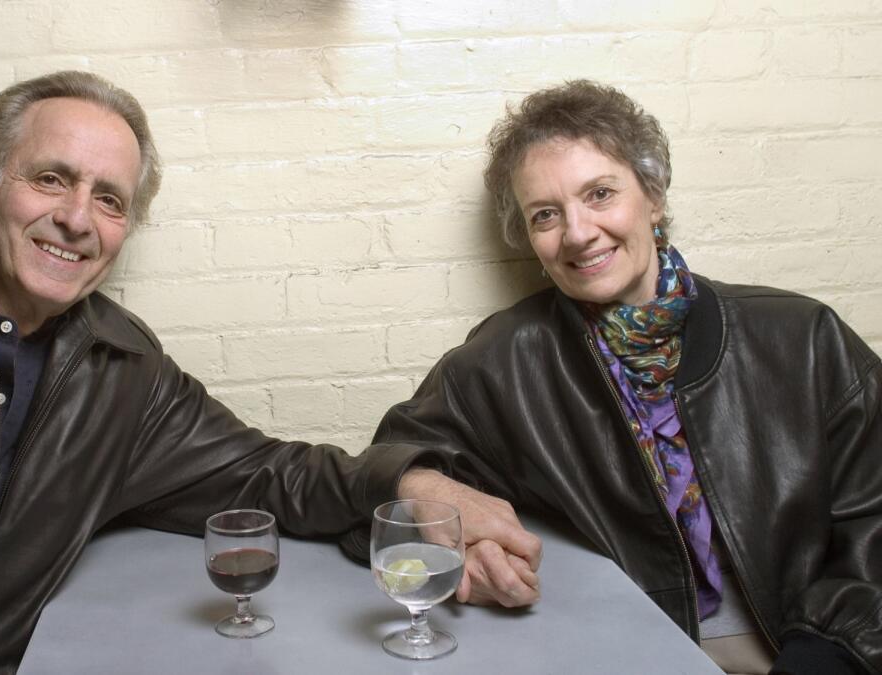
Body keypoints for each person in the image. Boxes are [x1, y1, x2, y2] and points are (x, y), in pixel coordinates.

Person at [0, 71, 540, 674]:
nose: (75, 218)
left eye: (109, 198)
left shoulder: (121, 370)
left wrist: (419, 484)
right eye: (51, 177)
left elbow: (270, 475)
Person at [368, 80, 881, 675]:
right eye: (546, 215)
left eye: (601, 193)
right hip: (620, 653)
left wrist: (824, 658)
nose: (579, 233)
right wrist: (462, 537)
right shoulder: (504, 360)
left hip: (811, 650)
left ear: (654, 197)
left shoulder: (803, 337)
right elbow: (380, 489)